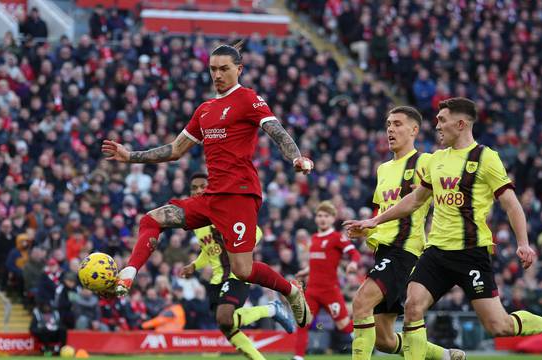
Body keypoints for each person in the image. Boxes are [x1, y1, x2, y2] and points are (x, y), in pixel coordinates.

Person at [344, 98, 542, 360]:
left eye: (442, 120)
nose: (437, 126)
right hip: (435, 252)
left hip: (471, 253)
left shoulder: (485, 158)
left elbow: (512, 205)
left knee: (498, 325)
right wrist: (374, 221)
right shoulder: (435, 160)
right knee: (413, 306)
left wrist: (523, 243)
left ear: (460, 124)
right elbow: (414, 200)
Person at [102, 40, 314, 328]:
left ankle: (291, 292)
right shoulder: (205, 110)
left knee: (243, 269)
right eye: (213, 69)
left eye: (224, 69)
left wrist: (297, 159)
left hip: (240, 195)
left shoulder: (249, 99)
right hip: (211, 197)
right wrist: (130, 156)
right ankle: (129, 272)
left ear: (239, 69)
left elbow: (277, 132)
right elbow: (175, 150)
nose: (217, 75)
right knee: (152, 219)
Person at [346, 106, 465, 360]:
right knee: (385, 340)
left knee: (360, 303)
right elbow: (380, 209)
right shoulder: (383, 169)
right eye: (388, 124)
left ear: (414, 130)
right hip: (384, 251)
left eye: (398, 124)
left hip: (405, 251)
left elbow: (451, 179)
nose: (390, 129)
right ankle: (445, 356)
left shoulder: (426, 161)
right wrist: (367, 228)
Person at [179, 173, 295, 359]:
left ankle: (271, 309)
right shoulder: (197, 221)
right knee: (227, 327)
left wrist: (240, 248)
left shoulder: (225, 210)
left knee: (225, 319)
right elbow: (208, 248)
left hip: (236, 274)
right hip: (216, 279)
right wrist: (194, 265)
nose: (199, 190)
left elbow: (255, 232)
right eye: (194, 187)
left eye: (203, 186)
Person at [293, 201, 360, 360]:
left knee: (344, 326)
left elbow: (354, 254)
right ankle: (298, 357)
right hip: (312, 291)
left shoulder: (337, 238)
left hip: (330, 291)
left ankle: (370, 340)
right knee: (303, 324)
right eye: (319, 215)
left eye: (326, 216)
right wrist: (306, 271)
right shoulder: (314, 238)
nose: (322, 219)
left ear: (332, 218)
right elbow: (318, 262)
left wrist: (353, 263)